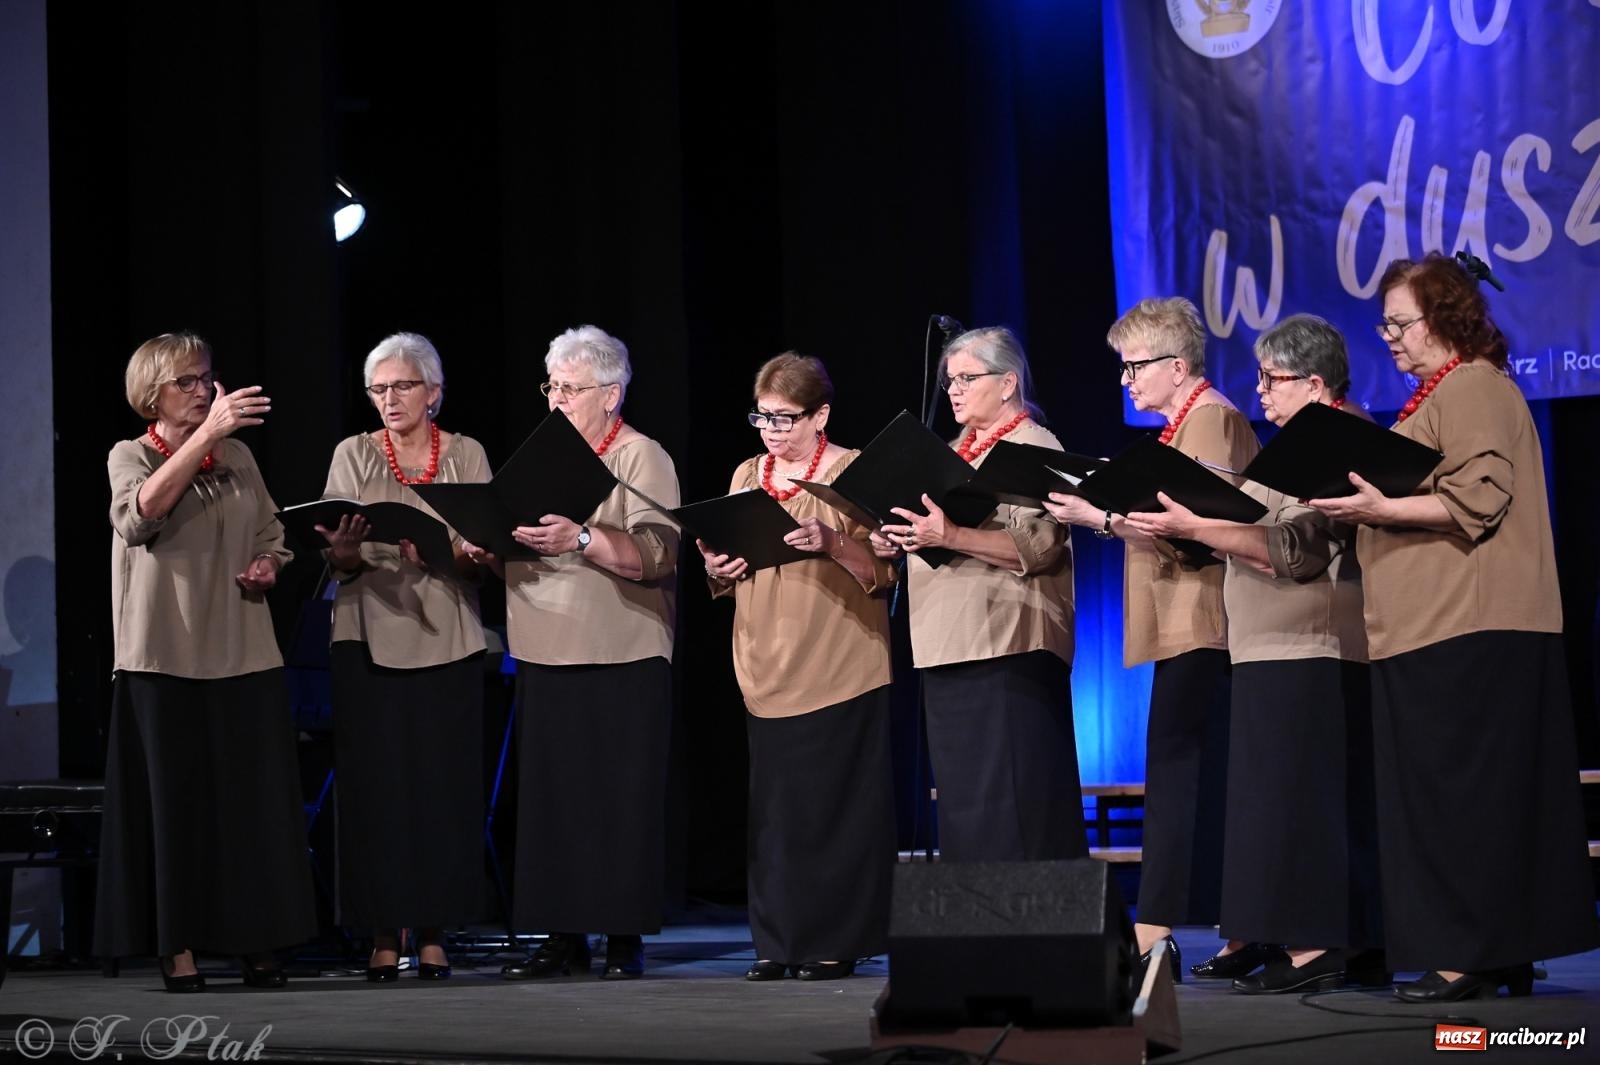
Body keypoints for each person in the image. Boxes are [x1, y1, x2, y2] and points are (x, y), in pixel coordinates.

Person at [1310, 254, 1598, 1002]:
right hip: (1437, 624)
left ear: (1448, 318)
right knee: (1470, 795)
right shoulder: (1437, 395)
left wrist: (1376, 509)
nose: (1392, 340)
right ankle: (1498, 949)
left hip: (1467, 623)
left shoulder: (1470, 384)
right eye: (1387, 326)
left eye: (1402, 323)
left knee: (1461, 797)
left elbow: (1479, 495)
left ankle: (1468, 952)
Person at [1121, 315, 1382, 993]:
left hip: (1310, 637)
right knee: (1279, 800)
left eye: (1274, 379)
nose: (1260, 391)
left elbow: (1296, 549)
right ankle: (1328, 942)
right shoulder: (1294, 444)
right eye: (1260, 376)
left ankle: (1317, 945)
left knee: (1302, 801)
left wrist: (1198, 527)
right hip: (1270, 641)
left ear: (1317, 383)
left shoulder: (1332, 444)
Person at [1043, 297, 1259, 981]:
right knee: (1190, 772)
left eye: (1135, 366)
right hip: (1182, 621)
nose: (1125, 380)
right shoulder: (1180, 426)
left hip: (1207, 622)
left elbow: (1198, 523)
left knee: (1184, 772)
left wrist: (1099, 514)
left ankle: (1157, 928)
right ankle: (1235, 929)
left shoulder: (1213, 419)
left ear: (1176, 364)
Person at [96, 332, 317, 992]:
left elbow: (274, 535)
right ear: (152, 396)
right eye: (186, 383)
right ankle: (179, 944)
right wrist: (204, 437)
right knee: (176, 808)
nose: (202, 391)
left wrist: (268, 564)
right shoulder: (130, 454)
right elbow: (140, 517)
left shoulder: (239, 456)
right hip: (162, 656)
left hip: (242, 651)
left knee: (248, 807)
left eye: (207, 379)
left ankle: (254, 938)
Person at [471, 325, 679, 981]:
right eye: (551, 385)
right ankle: (562, 933)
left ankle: (622, 935)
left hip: (622, 646)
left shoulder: (642, 455)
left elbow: (657, 553)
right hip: (544, 644)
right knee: (553, 803)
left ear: (611, 394)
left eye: (571, 387)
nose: (556, 398)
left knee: (619, 796)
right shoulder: (539, 455)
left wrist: (584, 536)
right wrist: (485, 541)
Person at [699, 353, 898, 982]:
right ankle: (778, 941)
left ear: (821, 416)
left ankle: (835, 941)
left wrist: (833, 542)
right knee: (777, 815)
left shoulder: (854, 470)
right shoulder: (746, 472)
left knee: (833, 810)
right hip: (766, 658)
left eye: (785, 418)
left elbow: (886, 571)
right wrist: (717, 570)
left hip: (839, 658)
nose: (772, 430)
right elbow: (730, 558)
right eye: (762, 417)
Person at [870, 327, 1084, 865]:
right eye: (949, 382)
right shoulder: (946, 454)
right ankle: (982, 937)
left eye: (967, 378)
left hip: (1008, 644)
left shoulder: (1036, 445)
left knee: (1018, 803)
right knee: (968, 810)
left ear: (1008, 382)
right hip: (946, 642)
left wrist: (951, 536)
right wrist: (896, 537)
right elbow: (928, 534)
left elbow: (1037, 546)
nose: (955, 391)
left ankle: (1037, 939)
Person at [317, 332, 490, 983]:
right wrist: (343, 552)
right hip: (367, 632)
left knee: (441, 789)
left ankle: (437, 931)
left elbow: (487, 543)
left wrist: (458, 553)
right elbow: (336, 544)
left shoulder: (465, 453)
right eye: (379, 388)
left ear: (434, 392)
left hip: (447, 633)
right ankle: (385, 932)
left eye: (403, 386)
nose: (390, 398)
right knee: (378, 792)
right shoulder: (354, 454)